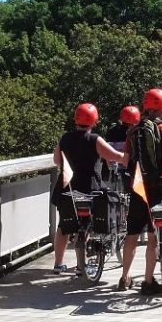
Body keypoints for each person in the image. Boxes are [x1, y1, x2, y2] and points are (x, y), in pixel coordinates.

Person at [52, 103, 128, 275]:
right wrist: (128, 158)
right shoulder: (94, 139)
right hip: (89, 188)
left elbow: (57, 160)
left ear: (75, 119)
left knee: (64, 225)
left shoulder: (65, 138)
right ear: (94, 120)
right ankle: (83, 263)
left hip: (67, 188)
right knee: (87, 222)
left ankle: (58, 263)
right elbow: (113, 156)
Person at [117, 88, 162, 295]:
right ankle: (148, 281)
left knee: (132, 234)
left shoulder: (133, 130)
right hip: (157, 186)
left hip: (137, 186)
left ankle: (125, 277)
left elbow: (125, 160)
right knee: (153, 235)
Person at [104, 105, 140, 189]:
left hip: (113, 168)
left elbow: (107, 150)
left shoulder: (112, 130)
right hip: (130, 168)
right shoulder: (135, 132)